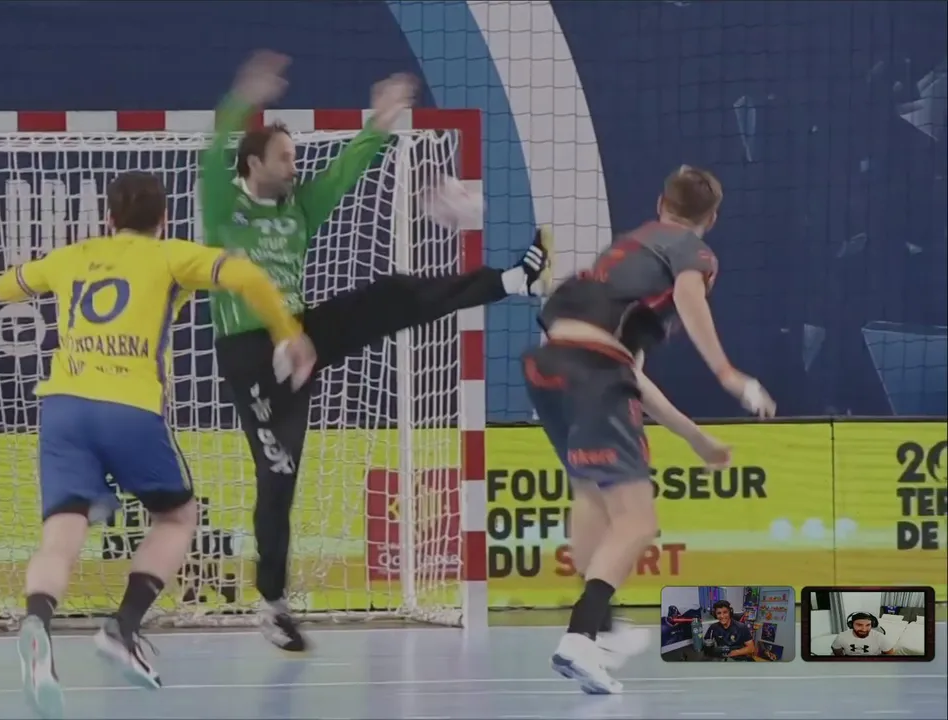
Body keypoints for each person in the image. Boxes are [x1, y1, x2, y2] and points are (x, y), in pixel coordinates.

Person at [203, 50, 551, 652]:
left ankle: (514, 280)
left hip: (301, 335)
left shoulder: (299, 206)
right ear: (254, 162)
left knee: (390, 296)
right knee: (278, 477)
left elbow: (347, 168)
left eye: (295, 156)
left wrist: (383, 117)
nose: (295, 166)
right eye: (284, 157)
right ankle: (273, 603)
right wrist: (245, 94)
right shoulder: (222, 207)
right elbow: (214, 152)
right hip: (249, 354)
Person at [0, 170, 315, 717]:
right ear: (163, 219)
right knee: (177, 516)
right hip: (129, 406)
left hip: (63, 408)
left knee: (61, 532)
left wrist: (44, 274)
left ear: (109, 218)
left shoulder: (72, 256)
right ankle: (122, 628)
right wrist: (289, 333)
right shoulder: (171, 255)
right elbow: (246, 275)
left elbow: (6, 286)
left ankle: (37, 622)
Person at [523, 165, 777, 694]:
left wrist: (694, 437)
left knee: (590, 494)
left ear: (661, 203)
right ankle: (580, 637)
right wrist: (729, 375)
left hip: (547, 366)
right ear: (711, 218)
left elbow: (628, 377)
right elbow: (689, 298)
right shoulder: (690, 252)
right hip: (593, 370)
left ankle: (603, 629)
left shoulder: (626, 254)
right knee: (637, 522)